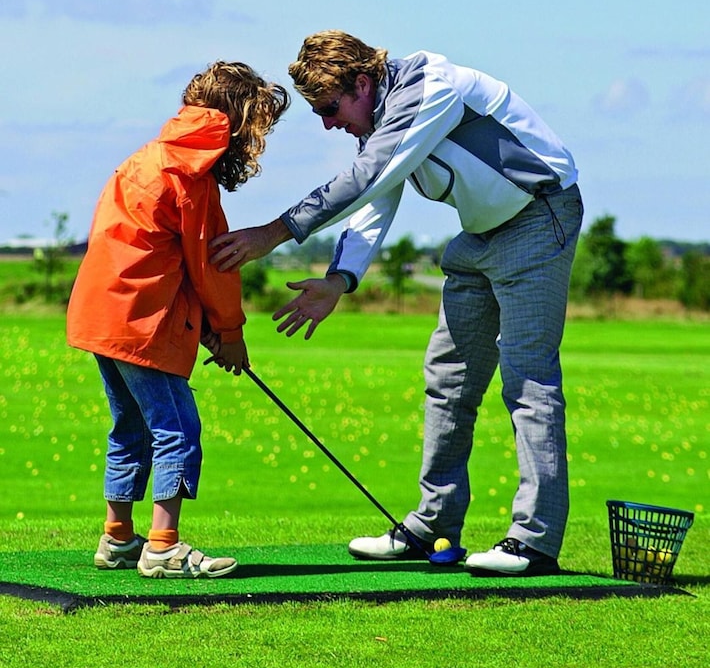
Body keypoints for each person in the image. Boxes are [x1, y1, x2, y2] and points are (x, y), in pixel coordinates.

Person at [210, 30, 583, 576]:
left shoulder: (431, 89)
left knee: (527, 379)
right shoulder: (386, 120)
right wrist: (340, 279)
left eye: (331, 108)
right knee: (448, 380)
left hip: (537, 217)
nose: (329, 123)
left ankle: (534, 540)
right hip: (480, 235)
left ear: (363, 83)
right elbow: (375, 194)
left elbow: (368, 176)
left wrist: (274, 232)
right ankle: (433, 524)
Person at [67, 62, 289, 579]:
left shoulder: (146, 157)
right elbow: (213, 266)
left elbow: (161, 256)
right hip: (144, 323)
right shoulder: (193, 176)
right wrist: (229, 335)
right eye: (257, 127)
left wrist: (206, 326)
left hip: (104, 317)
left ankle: (118, 537)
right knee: (177, 428)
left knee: (130, 426)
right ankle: (164, 545)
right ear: (237, 121)